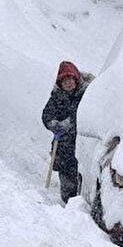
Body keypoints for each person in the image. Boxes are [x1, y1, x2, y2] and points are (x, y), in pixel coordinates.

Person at [42, 61, 93, 204]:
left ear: (76, 78)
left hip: (83, 143)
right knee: (67, 185)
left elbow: (90, 116)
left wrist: (70, 123)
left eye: (70, 79)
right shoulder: (57, 96)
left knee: (84, 181)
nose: (68, 83)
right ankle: (68, 208)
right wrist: (53, 124)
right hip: (64, 147)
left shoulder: (87, 94)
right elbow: (47, 114)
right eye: (64, 81)